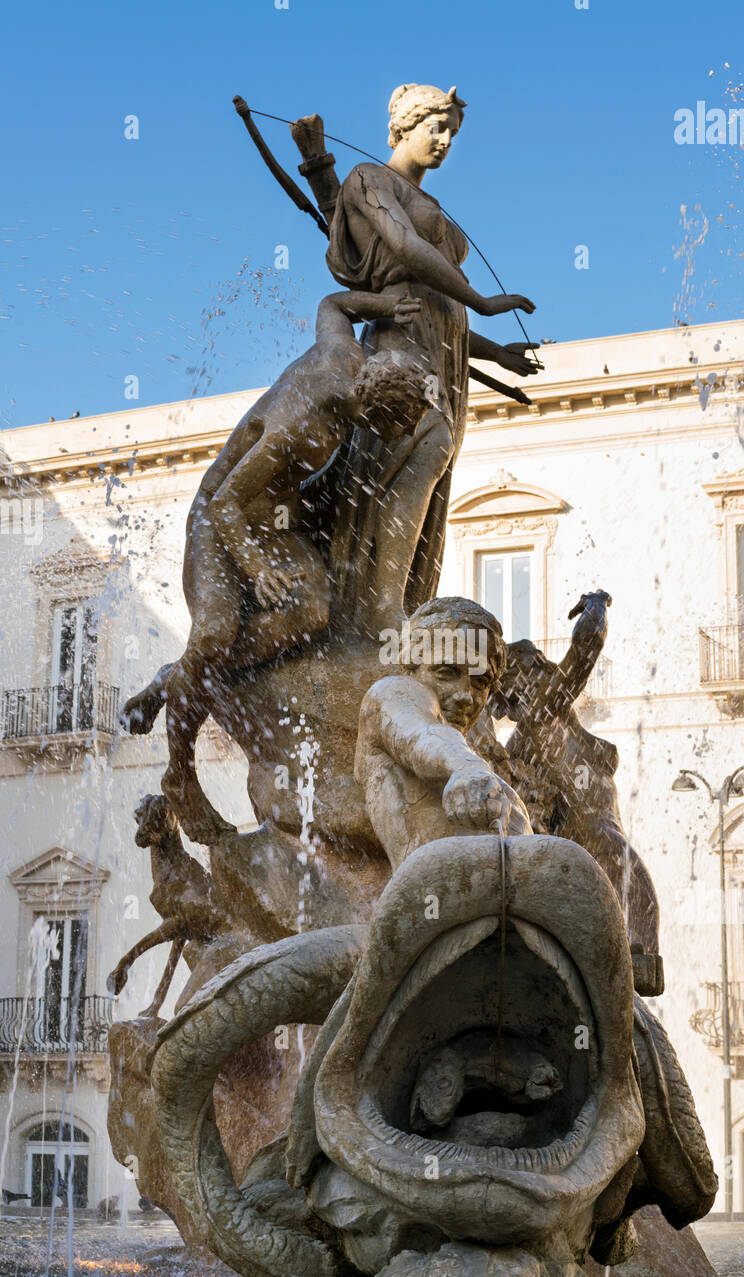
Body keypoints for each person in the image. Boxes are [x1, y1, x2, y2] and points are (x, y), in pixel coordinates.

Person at [122, 286, 429, 843]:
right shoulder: (307, 421)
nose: (394, 439)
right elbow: (226, 502)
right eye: (393, 429)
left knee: (312, 610)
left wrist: (387, 306)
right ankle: (180, 771)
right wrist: (258, 570)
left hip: (271, 520)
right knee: (216, 630)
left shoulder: (347, 358)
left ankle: (182, 676)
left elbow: (332, 307)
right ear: (374, 411)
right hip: (221, 522)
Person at [319, 83, 541, 634]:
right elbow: (404, 247)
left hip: (442, 353)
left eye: (451, 133)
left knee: (431, 476)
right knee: (421, 446)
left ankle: (402, 603)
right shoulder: (368, 180)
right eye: (434, 127)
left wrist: (495, 355)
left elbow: (444, 309)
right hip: (398, 347)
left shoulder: (432, 204)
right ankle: (381, 609)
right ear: (405, 125)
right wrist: (484, 302)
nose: (443, 141)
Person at [477, 592, 662, 961]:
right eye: (536, 664)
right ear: (521, 687)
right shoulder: (545, 709)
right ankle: (635, 952)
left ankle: (630, 951)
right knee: (631, 889)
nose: (547, 666)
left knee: (627, 891)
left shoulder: (542, 728)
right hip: (594, 839)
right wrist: (596, 604)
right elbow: (586, 647)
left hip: (589, 846)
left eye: (543, 661)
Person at [355, 597, 531, 869]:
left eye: (480, 682)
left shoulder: (473, 763)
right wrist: (467, 767)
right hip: (435, 896)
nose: (465, 696)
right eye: (447, 672)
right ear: (409, 668)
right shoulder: (390, 693)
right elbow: (420, 736)